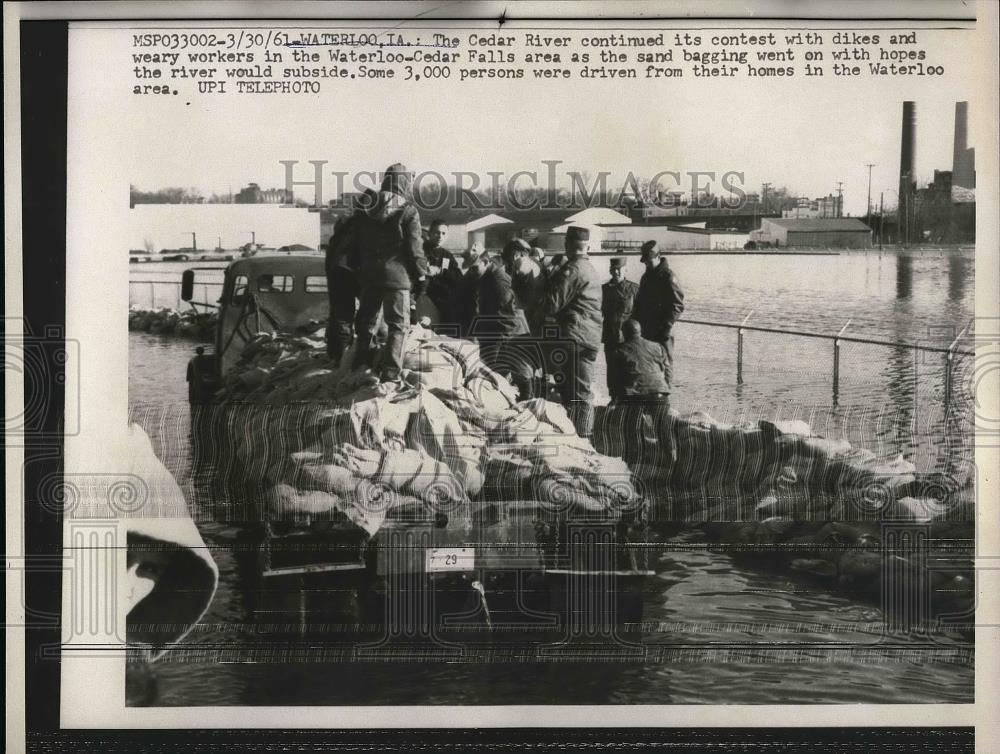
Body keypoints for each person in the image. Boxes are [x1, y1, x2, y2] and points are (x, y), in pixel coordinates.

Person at [350, 163, 429, 381]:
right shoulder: (409, 211)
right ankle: (390, 373)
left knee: (366, 321)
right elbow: (415, 248)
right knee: (397, 326)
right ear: (404, 183)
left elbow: (356, 243)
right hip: (397, 277)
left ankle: (361, 365)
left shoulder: (365, 209)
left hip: (369, 275)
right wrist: (421, 274)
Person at [542, 226, 603, 438]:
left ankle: (582, 439)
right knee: (579, 391)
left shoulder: (573, 269)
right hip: (589, 337)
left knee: (576, 393)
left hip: (575, 337)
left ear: (568, 245)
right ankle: (579, 436)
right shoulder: (590, 268)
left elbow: (552, 304)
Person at [477, 238, 533, 398]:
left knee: (507, 376)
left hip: (505, 332)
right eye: (523, 256)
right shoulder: (500, 272)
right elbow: (507, 308)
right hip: (506, 332)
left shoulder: (499, 269)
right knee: (508, 376)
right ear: (516, 255)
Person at [324, 193, 371, 365]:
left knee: (339, 315)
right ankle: (348, 358)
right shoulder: (365, 225)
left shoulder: (346, 222)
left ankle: (337, 355)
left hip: (337, 270)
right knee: (361, 315)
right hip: (349, 271)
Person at [632, 240, 685, 387]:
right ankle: (652, 396)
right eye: (645, 262)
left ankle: (665, 396)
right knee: (648, 362)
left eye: (649, 262)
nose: (647, 265)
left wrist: (666, 327)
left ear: (658, 257)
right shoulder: (646, 277)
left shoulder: (669, 277)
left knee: (665, 363)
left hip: (663, 330)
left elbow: (677, 306)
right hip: (647, 329)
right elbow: (639, 303)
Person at [601, 257, 639, 394]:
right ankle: (614, 400)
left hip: (628, 338)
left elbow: (641, 314)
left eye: (619, 269)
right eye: (613, 269)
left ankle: (630, 403)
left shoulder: (634, 289)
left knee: (630, 372)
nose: (616, 272)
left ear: (625, 269)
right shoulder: (604, 290)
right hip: (610, 337)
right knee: (612, 372)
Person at [422, 219, 462, 331]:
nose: (440, 236)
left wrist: (440, 272)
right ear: (429, 233)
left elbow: (458, 278)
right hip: (422, 298)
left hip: (442, 300)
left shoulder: (447, 255)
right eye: (437, 232)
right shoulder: (420, 251)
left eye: (443, 233)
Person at [454, 244, 489, 339]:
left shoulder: (492, 279)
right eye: (470, 268)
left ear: (485, 262)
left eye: (474, 268)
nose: (471, 271)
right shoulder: (468, 278)